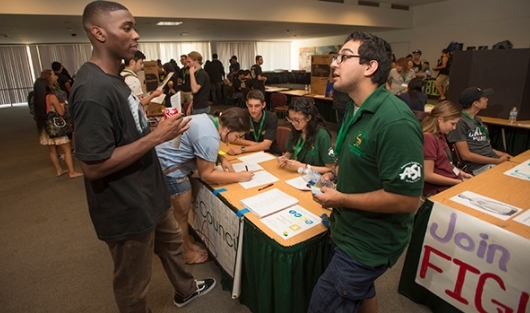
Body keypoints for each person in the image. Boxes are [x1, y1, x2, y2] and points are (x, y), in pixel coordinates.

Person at [69, 1, 215, 311]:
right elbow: (93, 166)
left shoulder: (115, 80)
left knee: (173, 246)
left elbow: (126, 129)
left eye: (134, 27)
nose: (136, 35)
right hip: (125, 205)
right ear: (98, 33)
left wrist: (154, 127)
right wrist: (157, 137)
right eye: (126, 27)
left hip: (150, 192)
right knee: (133, 282)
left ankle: (186, 290)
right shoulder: (92, 91)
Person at [309, 31, 424, 313]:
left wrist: (341, 199)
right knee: (361, 295)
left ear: (370, 67)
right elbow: (356, 157)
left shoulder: (395, 122)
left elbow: (408, 200)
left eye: (344, 57)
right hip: (346, 228)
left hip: (367, 244)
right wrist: (335, 175)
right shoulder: (354, 106)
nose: (335, 64)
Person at [156, 108, 254, 264]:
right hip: (171, 172)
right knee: (181, 217)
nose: (236, 139)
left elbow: (199, 145)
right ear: (228, 129)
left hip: (164, 164)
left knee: (181, 217)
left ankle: (187, 244)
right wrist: (240, 176)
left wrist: (221, 158)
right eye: (238, 135)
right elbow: (206, 175)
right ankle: (186, 254)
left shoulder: (208, 120)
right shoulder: (209, 136)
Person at [446, 87, 512, 175]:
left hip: (492, 161)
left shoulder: (478, 120)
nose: (487, 99)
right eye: (484, 98)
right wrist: (497, 161)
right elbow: (466, 155)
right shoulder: (460, 122)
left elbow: (485, 147)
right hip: (479, 167)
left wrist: (503, 155)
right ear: (476, 103)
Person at [34, 70, 83, 179]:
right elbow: (61, 112)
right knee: (67, 150)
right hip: (57, 127)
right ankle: (72, 172)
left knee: (52, 150)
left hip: (46, 128)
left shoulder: (38, 98)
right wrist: (61, 105)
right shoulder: (52, 97)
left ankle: (59, 170)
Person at [421, 100, 472, 197]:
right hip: (439, 190)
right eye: (452, 123)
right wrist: (458, 182)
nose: (454, 128)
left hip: (451, 183)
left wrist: (461, 173)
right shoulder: (429, 138)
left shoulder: (440, 134)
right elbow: (427, 175)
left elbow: (446, 163)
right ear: (440, 119)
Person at [277, 97, 334, 174]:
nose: (293, 123)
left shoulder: (322, 135)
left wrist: (303, 166)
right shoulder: (296, 130)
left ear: (308, 118)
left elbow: (330, 168)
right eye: (290, 119)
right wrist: (285, 157)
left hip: (314, 178)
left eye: (297, 120)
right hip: (296, 174)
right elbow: (290, 151)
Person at [227, 89, 282, 156]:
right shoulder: (243, 115)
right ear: (246, 104)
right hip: (251, 151)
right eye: (250, 106)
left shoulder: (271, 118)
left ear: (263, 105)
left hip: (270, 153)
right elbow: (231, 138)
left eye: (257, 106)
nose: (253, 110)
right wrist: (255, 144)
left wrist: (242, 149)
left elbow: (266, 146)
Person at [186, 51, 211, 115]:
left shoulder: (202, 74)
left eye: (189, 62)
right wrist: (190, 106)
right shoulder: (197, 73)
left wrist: (191, 73)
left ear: (196, 61)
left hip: (202, 109)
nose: (188, 64)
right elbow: (196, 95)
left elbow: (195, 90)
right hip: (197, 107)